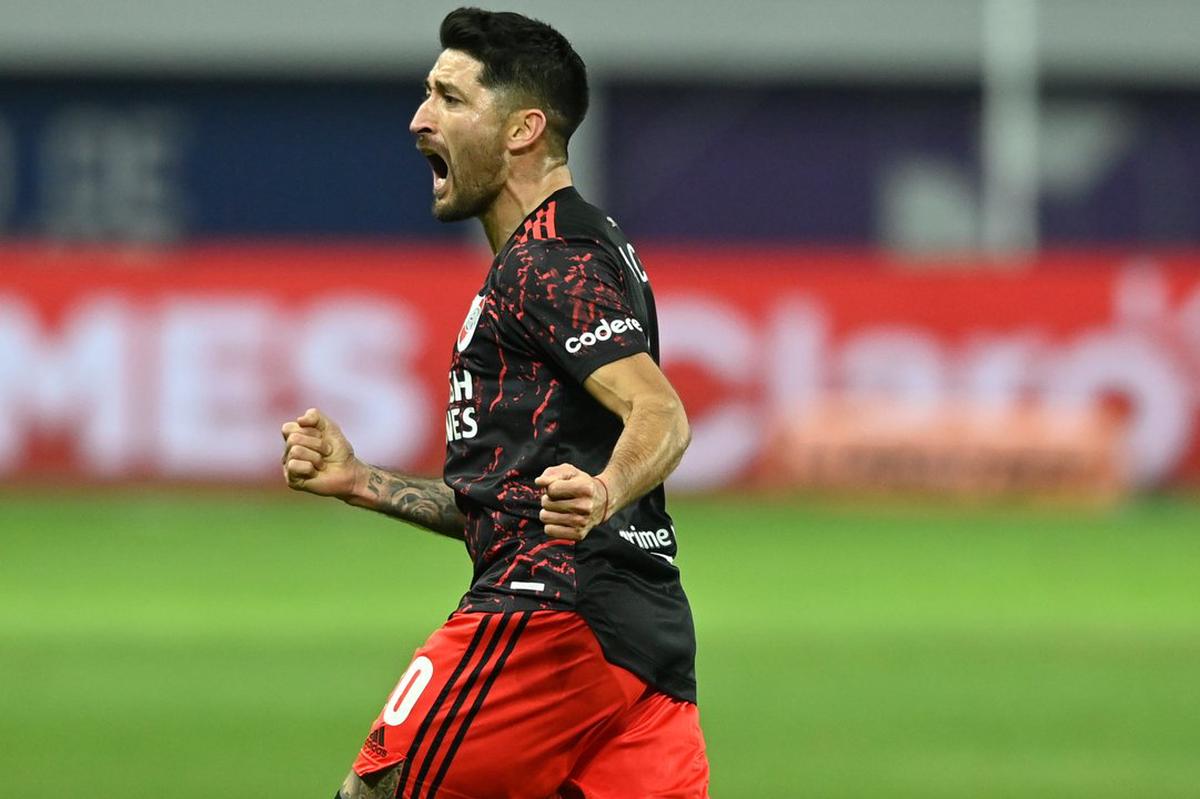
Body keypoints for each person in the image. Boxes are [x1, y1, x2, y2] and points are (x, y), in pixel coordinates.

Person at [280, 8, 708, 798]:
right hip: (643, 644)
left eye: (448, 97)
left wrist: (607, 489)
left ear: (522, 130)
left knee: (375, 791)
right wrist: (362, 480)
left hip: (550, 617)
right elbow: (514, 501)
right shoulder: (577, 248)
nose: (419, 119)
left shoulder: (549, 259)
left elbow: (662, 412)